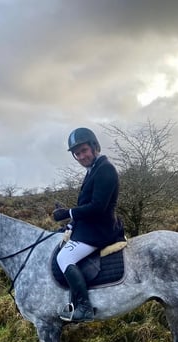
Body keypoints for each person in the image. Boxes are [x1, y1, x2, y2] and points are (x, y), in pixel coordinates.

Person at [52, 127, 124, 322]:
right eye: (77, 154)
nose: (81, 156)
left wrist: (67, 213)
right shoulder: (93, 170)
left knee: (64, 257)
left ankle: (84, 307)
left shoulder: (105, 169)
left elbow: (98, 207)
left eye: (84, 151)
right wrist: (70, 224)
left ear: (94, 147)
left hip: (100, 229)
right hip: (90, 226)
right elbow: (86, 206)